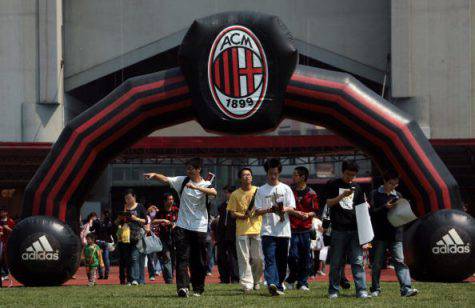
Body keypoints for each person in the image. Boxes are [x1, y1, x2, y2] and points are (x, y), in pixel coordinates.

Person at [144, 157, 217, 297]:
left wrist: (196, 187)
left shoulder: (207, 184)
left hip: (199, 227)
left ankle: (198, 288)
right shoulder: (182, 181)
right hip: (182, 226)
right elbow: (165, 179)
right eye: (187, 168)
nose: (188, 171)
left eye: (191, 168)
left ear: (198, 169)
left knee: (198, 260)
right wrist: (154, 174)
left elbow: (214, 193)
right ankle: (182, 288)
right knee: (182, 258)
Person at [324, 160, 370, 299]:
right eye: (348, 174)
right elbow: (328, 203)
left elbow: (362, 209)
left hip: (355, 230)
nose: (350, 177)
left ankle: (361, 290)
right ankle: (333, 290)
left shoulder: (357, 187)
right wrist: (342, 196)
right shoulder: (333, 184)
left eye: (353, 175)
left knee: (357, 261)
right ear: (342, 172)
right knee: (336, 262)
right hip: (338, 229)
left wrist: (365, 234)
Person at [369, 171, 418, 297]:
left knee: (400, 261)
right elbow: (372, 213)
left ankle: (406, 289)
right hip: (379, 235)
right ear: (384, 181)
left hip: (396, 234)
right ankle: (375, 289)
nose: (393, 187)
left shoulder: (398, 195)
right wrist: (385, 207)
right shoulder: (375, 194)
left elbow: (400, 214)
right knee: (377, 263)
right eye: (391, 183)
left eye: (395, 184)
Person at [254, 158, 298, 296]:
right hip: (267, 230)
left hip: (283, 230)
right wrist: (269, 210)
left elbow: (292, 207)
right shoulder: (261, 190)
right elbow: (257, 210)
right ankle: (271, 282)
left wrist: (284, 209)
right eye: (270, 173)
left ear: (279, 173)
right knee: (269, 257)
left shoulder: (286, 189)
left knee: (282, 259)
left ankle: (279, 285)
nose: (273, 176)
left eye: (275, 173)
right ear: (267, 173)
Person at [227, 167, 263, 293]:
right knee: (244, 259)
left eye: (249, 175)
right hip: (241, 231)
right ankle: (247, 284)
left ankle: (256, 280)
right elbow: (232, 213)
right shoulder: (235, 194)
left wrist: (257, 213)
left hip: (257, 229)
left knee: (258, 258)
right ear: (240, 178)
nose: (247, 177)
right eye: (244, 175)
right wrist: (243, 216)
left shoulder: (259, 191)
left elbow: (264, 208)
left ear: (252, 177)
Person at [285, 166, 319, 291]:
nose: (293, 177)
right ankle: (291, 278)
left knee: (305, 257)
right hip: (291, 229)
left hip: (306, 230)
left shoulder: (312, 193)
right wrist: (296, 214)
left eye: (295, 175)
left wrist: (308, 215)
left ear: (303, 177)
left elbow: (315, 211)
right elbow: (286, 208)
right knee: (292, 256)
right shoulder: (289, 191)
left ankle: (302, 282)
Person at [152, 194, 179, 284]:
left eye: (172, 199)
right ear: (165, 201)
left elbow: (182, 220)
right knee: (166, 258)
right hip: (164, 238)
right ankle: (169, 280)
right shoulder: (160, 212)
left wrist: (175, 224)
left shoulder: (176, 210)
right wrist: (163, 220)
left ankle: (169, 275)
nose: (171, 201)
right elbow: (153, 221)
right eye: (169, 199)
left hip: (175, 238)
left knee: (174, 260)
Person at [216, 185, 239, 284]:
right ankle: (224, 278)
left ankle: (235, 278)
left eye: (228, 192)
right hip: (222, 234)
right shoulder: (222, 206)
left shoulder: (237, 205)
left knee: (233, 257)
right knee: (221, 256)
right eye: (225, 192)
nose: (226, 195)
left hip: (233, 233)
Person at [90, 210, 114, 280]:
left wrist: (93, 223)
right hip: (106, 242)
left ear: (102, 214)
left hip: (98, 241)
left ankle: (101, 275)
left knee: (98, 258)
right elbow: (110, 233)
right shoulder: (109, 223)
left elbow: (91, 229)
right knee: (106, 259)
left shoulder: (96, 221)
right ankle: (106, 274)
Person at [0, 208, 15, 281]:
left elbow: (14, 231)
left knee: (4, 258)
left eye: (3, 212)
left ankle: (5, 273)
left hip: (7, 242)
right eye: (1, 212)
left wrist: (7, 228)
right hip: (1, 241)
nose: (1, 213)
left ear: (6, 213)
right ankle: (3, 273)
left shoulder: (10, 221)